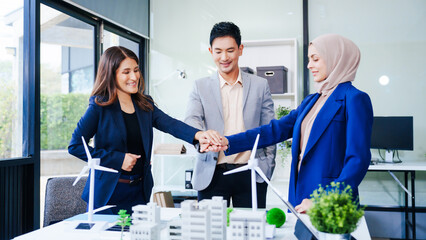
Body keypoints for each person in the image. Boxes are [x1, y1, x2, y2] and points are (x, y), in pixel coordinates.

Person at [204, 34, 373, 213]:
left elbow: (358, 160)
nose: (309, 65)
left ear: (336, 59)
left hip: (329, 200)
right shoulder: (312, 101)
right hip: (300, 195)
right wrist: (228, 142)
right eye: (309, 59)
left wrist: (323, 200)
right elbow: (274, 130)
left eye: (315, 59)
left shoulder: (355, 99)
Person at [68, 46, 221, 214]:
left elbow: (170, 124)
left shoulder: (144, 104)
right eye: (126, 72)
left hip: (139, 191)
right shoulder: (99, 106)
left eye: (136, 70)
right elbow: (75, 146)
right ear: (112, 75)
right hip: (108, 193)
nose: (134, 77)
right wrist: (118, 160)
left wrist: (199, 135)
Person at [184, 22, 276, 208]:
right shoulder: (200, 86)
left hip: (251, 172)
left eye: (230, 50)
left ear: (240, 49)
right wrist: (203, 136)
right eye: (218, 51)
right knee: (211, 233)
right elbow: (191, 120)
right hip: (212, 172)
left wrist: (267, 165)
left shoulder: (260, 85)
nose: (224, 57)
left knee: (251, 233)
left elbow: (270, 129)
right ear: (211, 51)